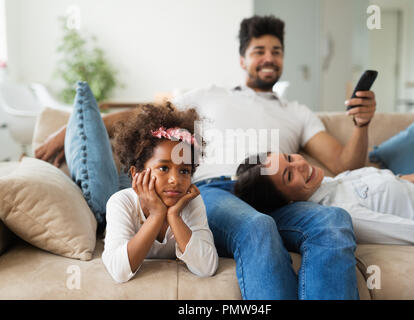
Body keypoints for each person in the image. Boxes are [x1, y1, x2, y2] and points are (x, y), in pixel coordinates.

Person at [35, 15, 377, 299]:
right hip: (213, 191)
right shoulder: (211, 95)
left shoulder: (298, 112)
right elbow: (149, 116)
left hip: (274, 194)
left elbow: (345, 164)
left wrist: (361, 125)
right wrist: (67, 129)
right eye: (259, 50)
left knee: (332, 221)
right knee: (258, 227)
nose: (269, 57)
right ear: (243, 59)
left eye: (276, 50)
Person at [102, 102, 219, 283]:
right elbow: (118, 271)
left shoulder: (191, 201)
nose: (175, 180)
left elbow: (207, 268)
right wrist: (157, 215)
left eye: (184, 171)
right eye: (164, 168)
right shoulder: (121, 202)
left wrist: (174, 216)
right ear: (136, 173)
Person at [234, 152, 414, 247]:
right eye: (289, 175)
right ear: (287, 202)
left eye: (289, 158)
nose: (299, 165)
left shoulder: (330, 183)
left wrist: (401, 179)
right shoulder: (344, 212)